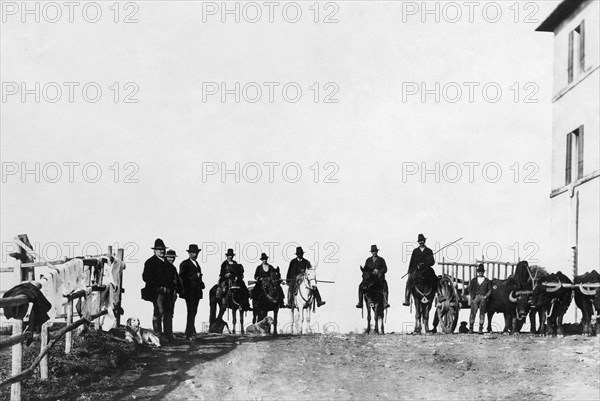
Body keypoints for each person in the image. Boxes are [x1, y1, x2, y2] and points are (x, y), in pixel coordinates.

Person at [142, 239, 178, 340]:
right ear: (154, 251)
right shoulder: (150, 262)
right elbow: (146, 277)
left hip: (169, 292)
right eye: (159, 249)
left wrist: (174, 289)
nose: (161, 251)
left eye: (163, 249)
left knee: (168, 312)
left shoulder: (168, 263)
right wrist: (158, 286)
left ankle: (168, 334)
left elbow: (173, 277)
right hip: (157, 292)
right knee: (158, 311)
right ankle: (158, 334)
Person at [179, 244, 205, 340]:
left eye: (196, 253)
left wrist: (201, 283)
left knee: (193, 311)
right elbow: (182, 276)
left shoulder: (196, 263)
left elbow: (198, 277)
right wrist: (195, 276)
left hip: (196, 292)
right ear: (189, 253)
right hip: (189, 292)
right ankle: (189, 333)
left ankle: (190, 331)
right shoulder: (184, 264)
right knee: (191, 311)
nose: (195, 254)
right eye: (193, 252)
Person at [403, 234, 435, 306]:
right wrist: (409, 272)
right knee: (409, 281)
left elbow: (432, 262)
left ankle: (439, 294)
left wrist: (426, 263)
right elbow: (412, 262)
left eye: (422, 241)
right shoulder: (415, 251)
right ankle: (407, 299)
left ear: (425, 241)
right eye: (420, 241)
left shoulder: (429, 251)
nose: (421, 242)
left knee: (435, 278)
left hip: (427, 269)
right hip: (417, 270)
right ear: (418, 242)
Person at [468, 264, 492, 334]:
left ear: (483, 272)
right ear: (478, 272)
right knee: (473, 312)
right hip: (475, 297)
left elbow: (490, 290)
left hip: (482, 298)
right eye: (479, 271)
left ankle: (480, 329)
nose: (480, 273)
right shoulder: (474, 280)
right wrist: (472, 296)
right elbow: (470, 288)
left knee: (482, 313)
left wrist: (485, 296)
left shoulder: (487, 281)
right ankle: (471, 328)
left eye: (482, 271)